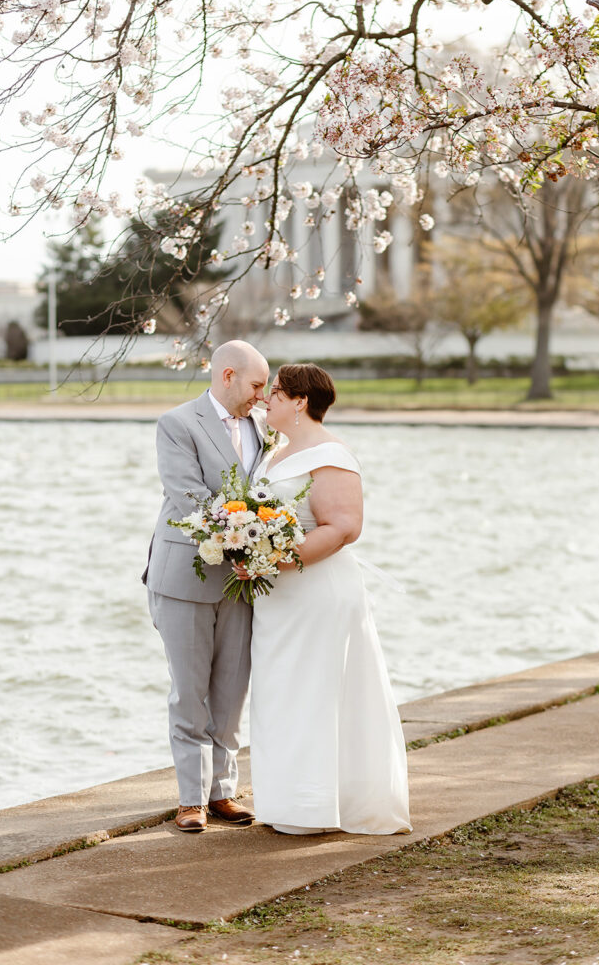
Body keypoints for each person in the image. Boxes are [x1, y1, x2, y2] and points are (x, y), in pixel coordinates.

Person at [244, 363, 411, 835]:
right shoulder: (276, 453)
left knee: (314, 693)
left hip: (317, 592)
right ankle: (287, 802)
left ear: (300, 401)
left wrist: (275, 561)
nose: (266, 399)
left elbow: (343, 528)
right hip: (279, 599)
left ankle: (314, 808)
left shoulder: (330, 453)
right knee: (281, 693)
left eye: (275, 392)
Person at [143, 340, 269, 833]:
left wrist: (263, 546)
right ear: (228, 375)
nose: (261, 395)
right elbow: (189, 495)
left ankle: (223, 791)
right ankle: (190, 798)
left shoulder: (261, 428)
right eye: (257, 385)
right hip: (184, 579)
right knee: (189, 692)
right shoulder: (177, 424)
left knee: (231, 691)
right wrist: (248, 534)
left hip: (241, 583)